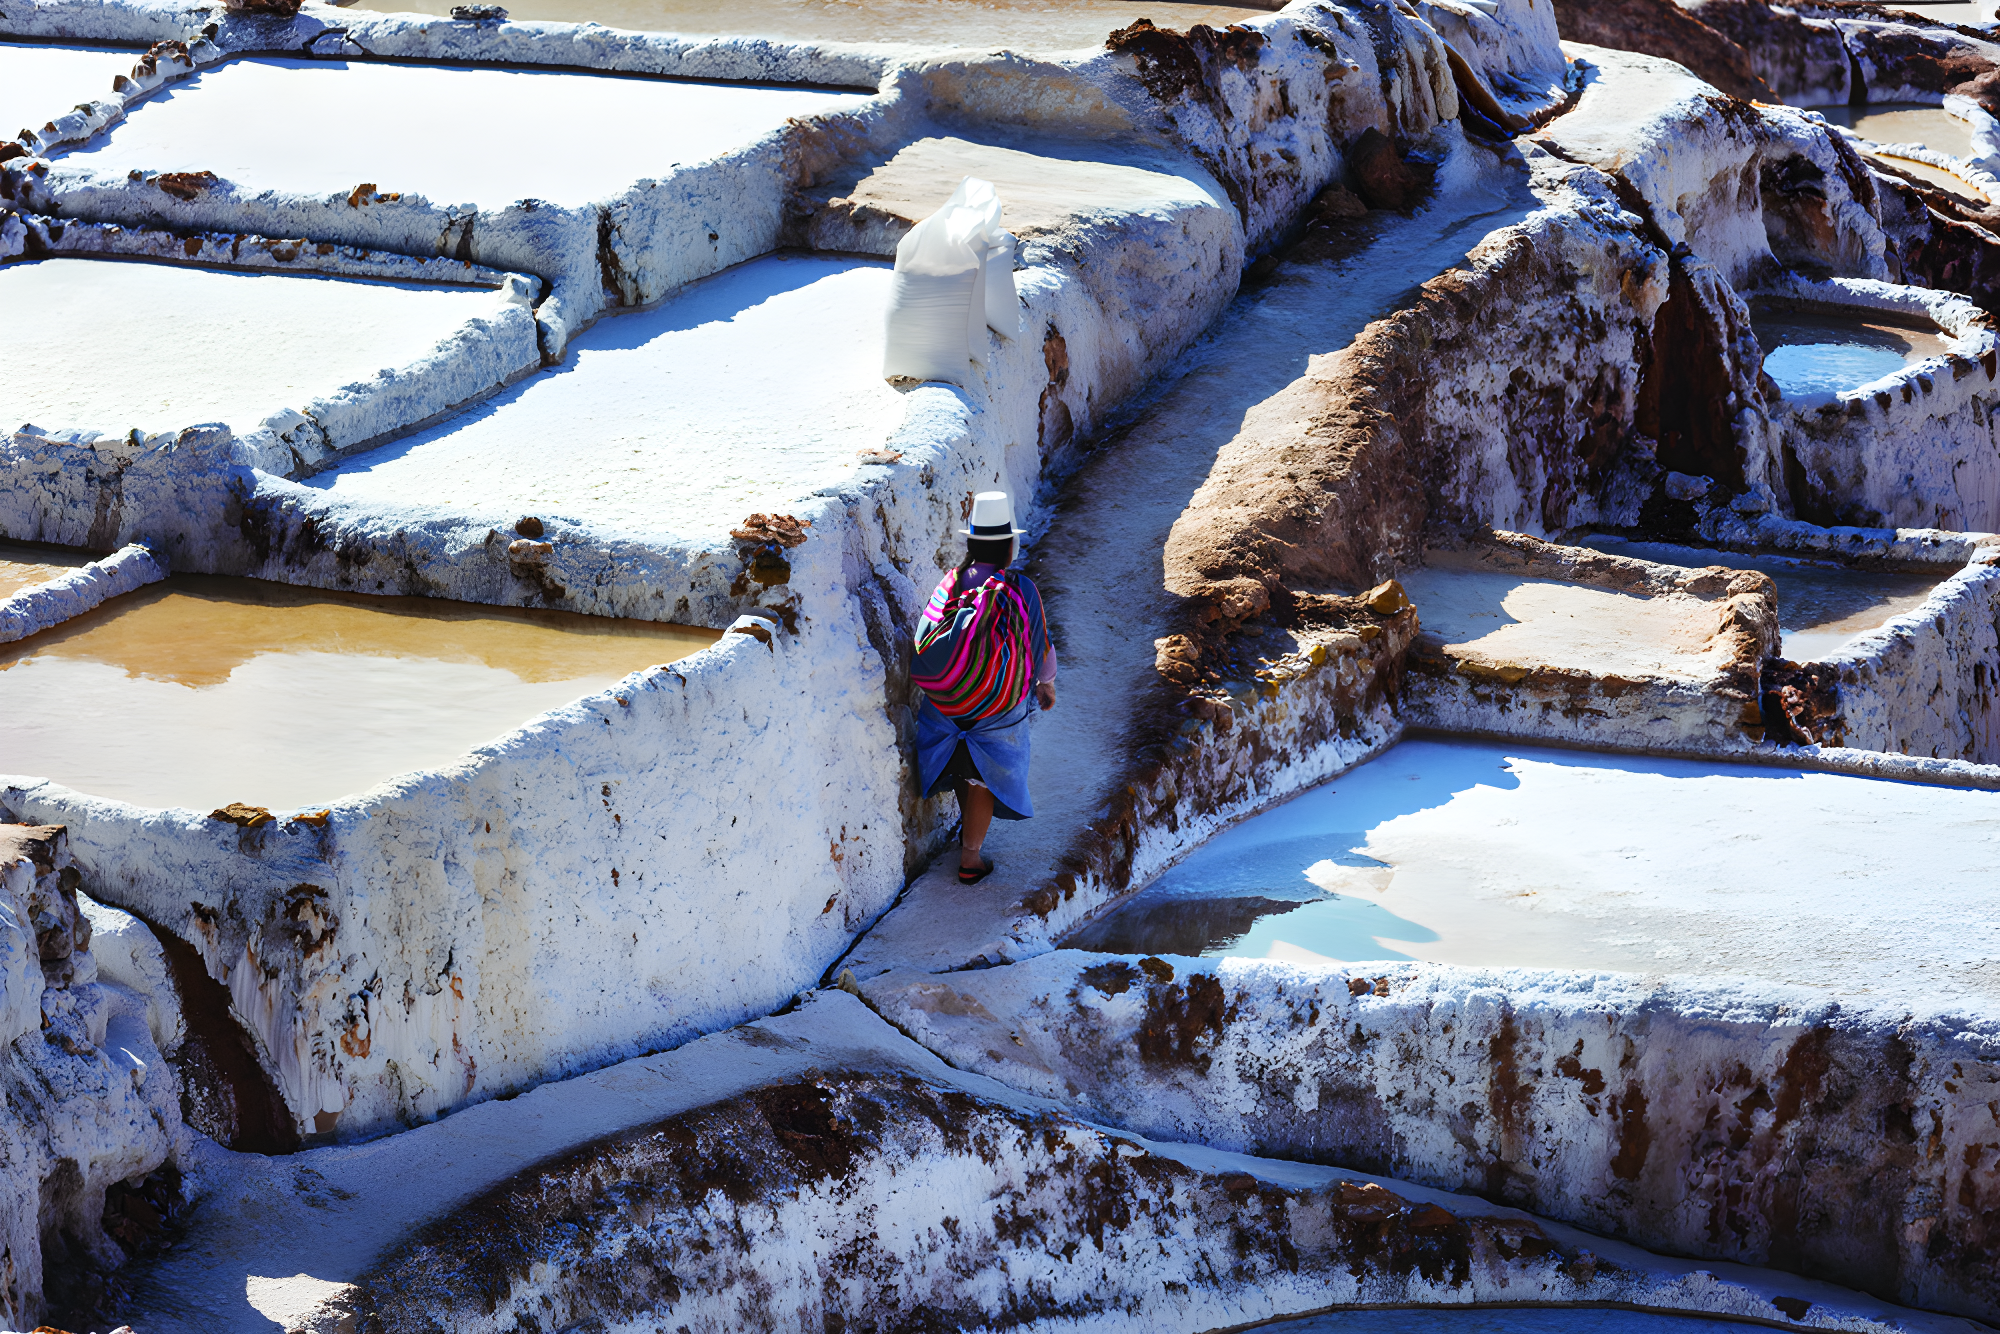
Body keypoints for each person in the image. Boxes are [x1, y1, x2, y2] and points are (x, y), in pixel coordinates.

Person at [911, 491, 1057, 884]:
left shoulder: (952, 581)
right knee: (982, 774)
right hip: (995, 709)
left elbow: (927, 636)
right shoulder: (1021, 588)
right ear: (1010, 545)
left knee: (965, 765)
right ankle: (970, 859)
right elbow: (1041, 646)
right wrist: (1045, 685)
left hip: (944, 704)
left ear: (971, 542)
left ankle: (967, 838)